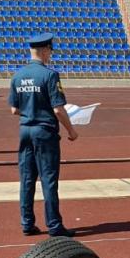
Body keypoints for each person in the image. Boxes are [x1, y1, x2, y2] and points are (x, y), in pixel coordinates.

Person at [8, 33, 79, 238]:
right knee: (48, 179)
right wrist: (71, 131)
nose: (50, 55)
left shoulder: (17, 76)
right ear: (45, 50)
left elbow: (14, 110)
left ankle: (27, 223)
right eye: (50, 51)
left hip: (25, 130)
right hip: (45, 132)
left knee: (27, 179)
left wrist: (31, 111)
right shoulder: (49, 75)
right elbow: (58, 109)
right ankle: (55, 225)